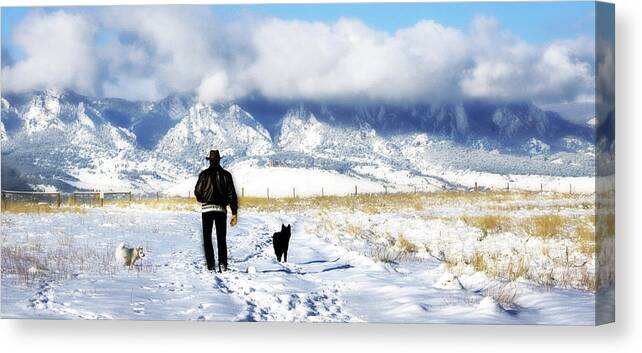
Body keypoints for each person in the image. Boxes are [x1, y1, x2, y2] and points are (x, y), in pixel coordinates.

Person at [194, 150, 238, 272]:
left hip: (207, 210)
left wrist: (203, 199)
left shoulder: (203, 175)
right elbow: (232, 195)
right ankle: (223, 264)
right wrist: (234, 212)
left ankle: (211, 265)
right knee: (221, 238)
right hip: (221, 210)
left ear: (209, 160)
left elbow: (197, 192)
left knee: (207, 238)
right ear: (219, 160)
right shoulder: (226, 175)